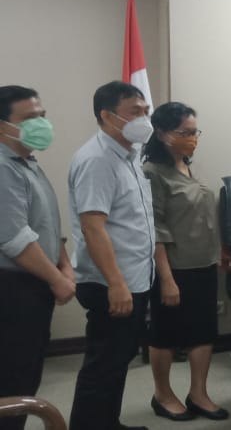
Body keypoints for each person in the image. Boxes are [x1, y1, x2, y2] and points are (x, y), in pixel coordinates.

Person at [67, 81, 156, 430]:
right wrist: (117, 284)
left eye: (146, 111)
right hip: (110, 282)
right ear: (107, 116)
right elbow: (93, 227)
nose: (144, 118)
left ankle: (108, 423)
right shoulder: (97, 160)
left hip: (133, 277)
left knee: (118, 360)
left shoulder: (129, 154)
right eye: (135, 112)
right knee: (103, 364)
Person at [142, 102, 228, 422]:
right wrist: (166, 278)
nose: (193, 138)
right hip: (173, 268)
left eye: (195, 132)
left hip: (203, 263)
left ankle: (198, 394)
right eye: (185, 132)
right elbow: (156, 229)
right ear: (162, 134)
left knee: (203, 332)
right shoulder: (152, 172)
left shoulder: (186, 165)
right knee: (166, 333)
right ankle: (163, 395)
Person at [0, 86, 75, 430]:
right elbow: (14, 237)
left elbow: (46, 223)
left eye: (42, 115)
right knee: (13, 380)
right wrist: (58, 279)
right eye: (30, 118)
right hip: (13, 288)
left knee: (27, 372)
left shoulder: (26, 162)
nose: (42, 123)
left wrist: (65, 264)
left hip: (34, 283)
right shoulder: (4, 168)